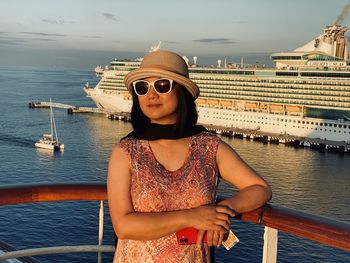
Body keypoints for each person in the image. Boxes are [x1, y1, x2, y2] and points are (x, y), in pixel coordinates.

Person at [107, 50, 272, 263]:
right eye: (142, 87)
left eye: (162, 85)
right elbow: (123, 226)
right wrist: (192, 217)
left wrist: (220, 212)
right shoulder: (126, 152)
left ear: (182, 91)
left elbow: (260, 189)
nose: (151, 94)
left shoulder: (208, 147)